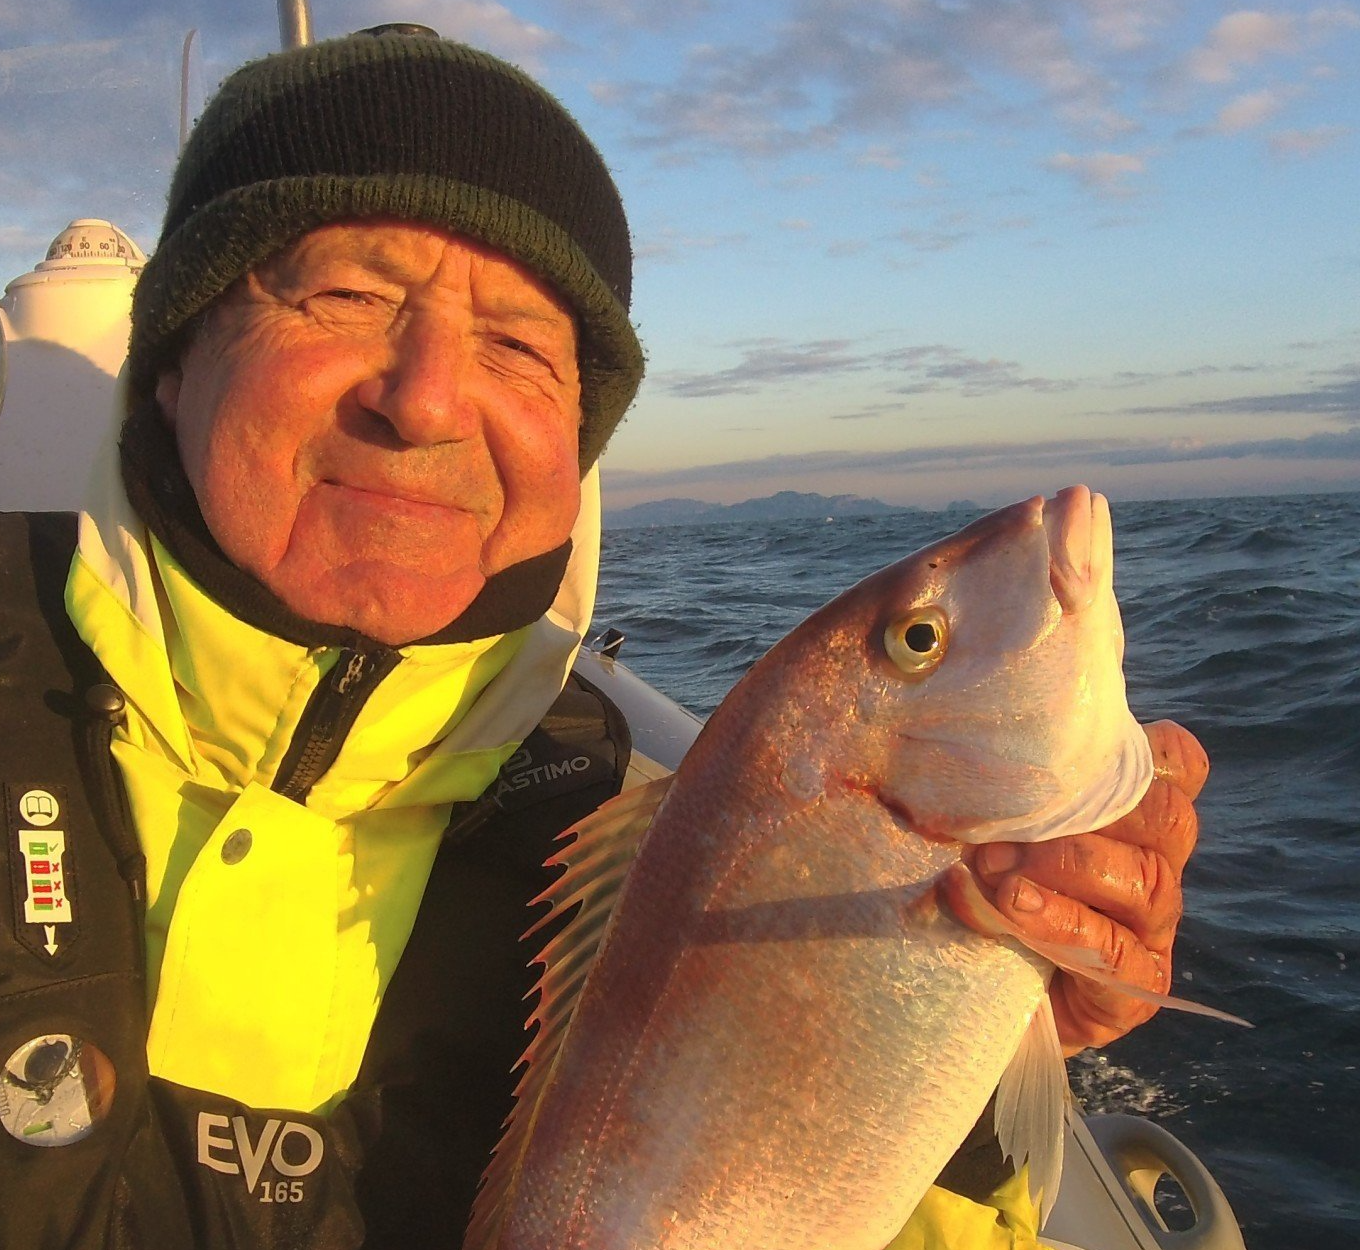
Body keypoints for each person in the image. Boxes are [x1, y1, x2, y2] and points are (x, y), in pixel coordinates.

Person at [0, 27, 1206, 1250]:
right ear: (172, 356)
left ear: (576, 436)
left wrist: (962, 1070)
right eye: (348, 294)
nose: (421, 398)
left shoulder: (610, 817)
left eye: (519, 343)